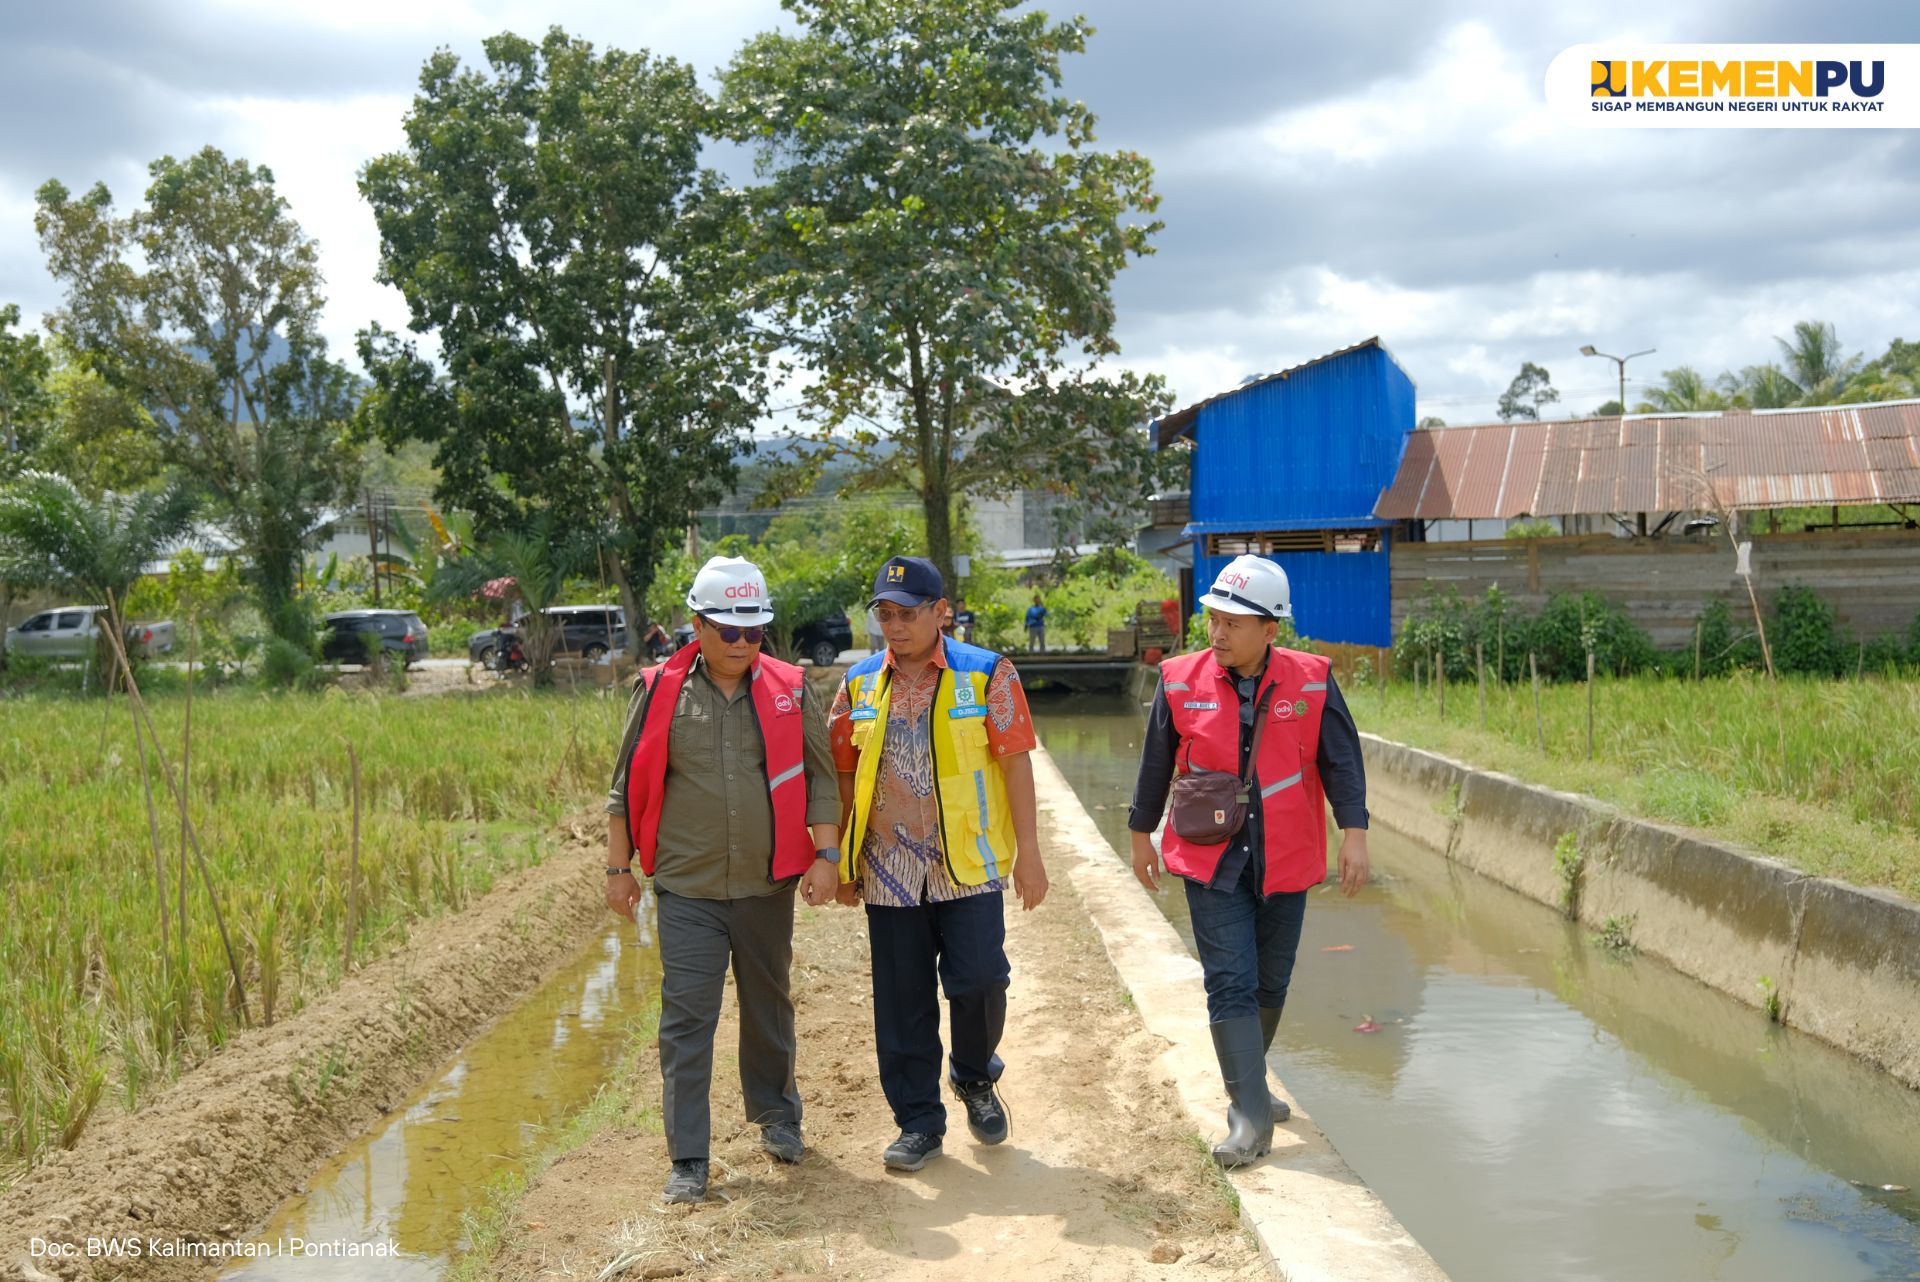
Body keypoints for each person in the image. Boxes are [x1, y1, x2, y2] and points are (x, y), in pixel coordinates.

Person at [604, 556, 845, 1204]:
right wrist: (616, 869)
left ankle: (777, 1116)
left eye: (754, 632)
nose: (743, 643)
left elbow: (822, 778)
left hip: (767, 886)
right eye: (729, 631)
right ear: (698, 625)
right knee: (686, 1020)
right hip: (688, 887)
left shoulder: (792, 688)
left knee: (769, 1006)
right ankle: (688, 1157)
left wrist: (826, 857)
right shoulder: (658, 690)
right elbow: (624, 789)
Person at [1127, 554, 1371, 1169]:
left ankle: (1250, 1086)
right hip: (1211, 861)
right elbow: (1156, 762)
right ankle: (1250, 1116)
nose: (1217, 632)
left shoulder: (1312, 679)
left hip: (1285, 856)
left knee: (1271, 980)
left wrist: (1355, 834)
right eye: (1213, 618)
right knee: (1230, 980)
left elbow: (1341, 759)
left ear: (1271, 628)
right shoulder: (1180, 679)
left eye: (1233, 622)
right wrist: (1139, 835)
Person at [828, 555, 1049, 1173]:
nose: (895, 626)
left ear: (940, 612)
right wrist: (841, 859)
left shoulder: (988, 676)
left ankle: (976, 1077)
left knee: (980, 980)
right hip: (889, 868)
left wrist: (1028, 853)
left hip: (969, 863)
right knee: (902, 1000)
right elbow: (843, 775)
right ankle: (919, 1121)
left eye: (908, 614)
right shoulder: (858, 685)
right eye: (885, 615)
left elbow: (1016, 763)